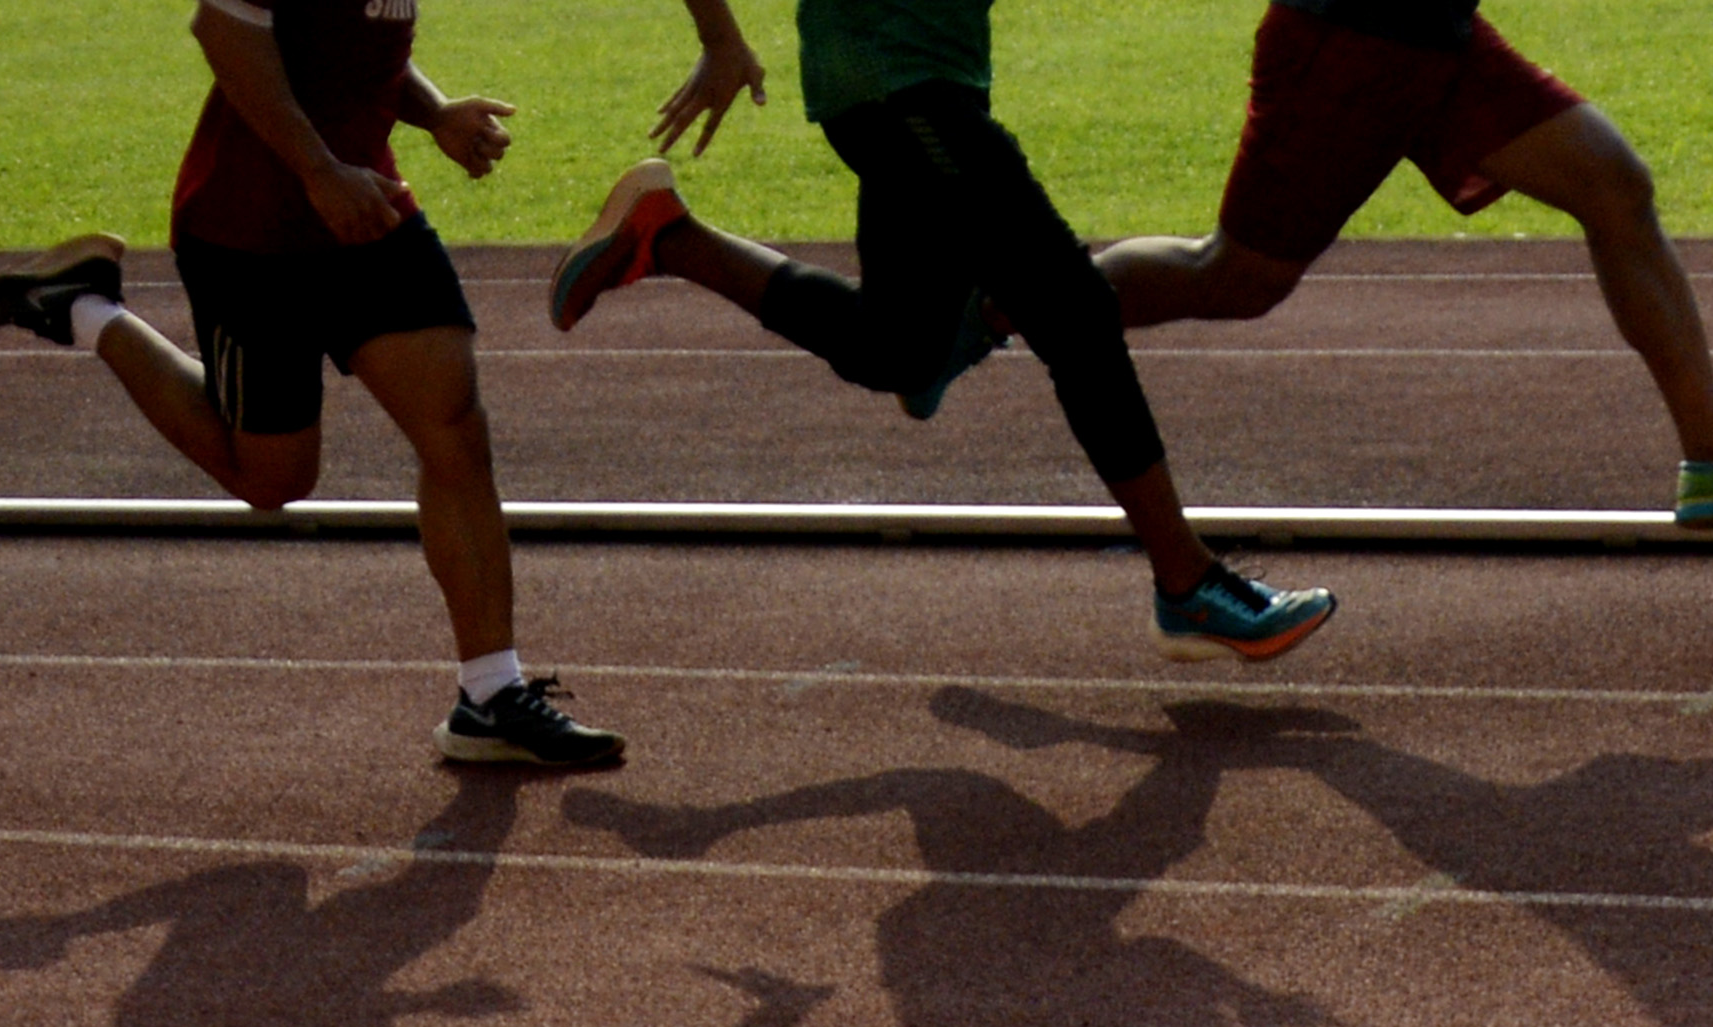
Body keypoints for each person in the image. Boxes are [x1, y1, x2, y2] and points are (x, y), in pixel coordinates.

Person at [552, 0, 1336, 664]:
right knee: (1076, 312)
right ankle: (1186, 581)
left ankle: (668, 237)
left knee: (899, 350)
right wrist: (720, 36)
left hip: (921, 86)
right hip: (900, 88)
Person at [0, 0, 625, 767]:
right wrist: (317, 170)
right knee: (274, 480)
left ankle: (490, 695)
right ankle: (83, 310)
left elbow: (348, 44)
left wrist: (435, 113)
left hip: (370, 212)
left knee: (454, 427)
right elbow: (225, 31)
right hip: (250, 229)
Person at [1094, 1, 1713, 528]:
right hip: (1351, 31)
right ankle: (1009, 299)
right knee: (1237, 276)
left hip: (1435, 34)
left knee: (1614, 185)